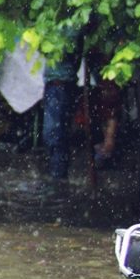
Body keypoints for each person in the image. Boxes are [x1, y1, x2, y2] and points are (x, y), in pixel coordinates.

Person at [41, 28, 84, 179]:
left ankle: (58, 174)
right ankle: (57, 172)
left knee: (54, 133)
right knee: (56, 132)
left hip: (61, 84)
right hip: (55, 83)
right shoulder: (57, 24)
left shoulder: (69, 28)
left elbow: (66, 48)